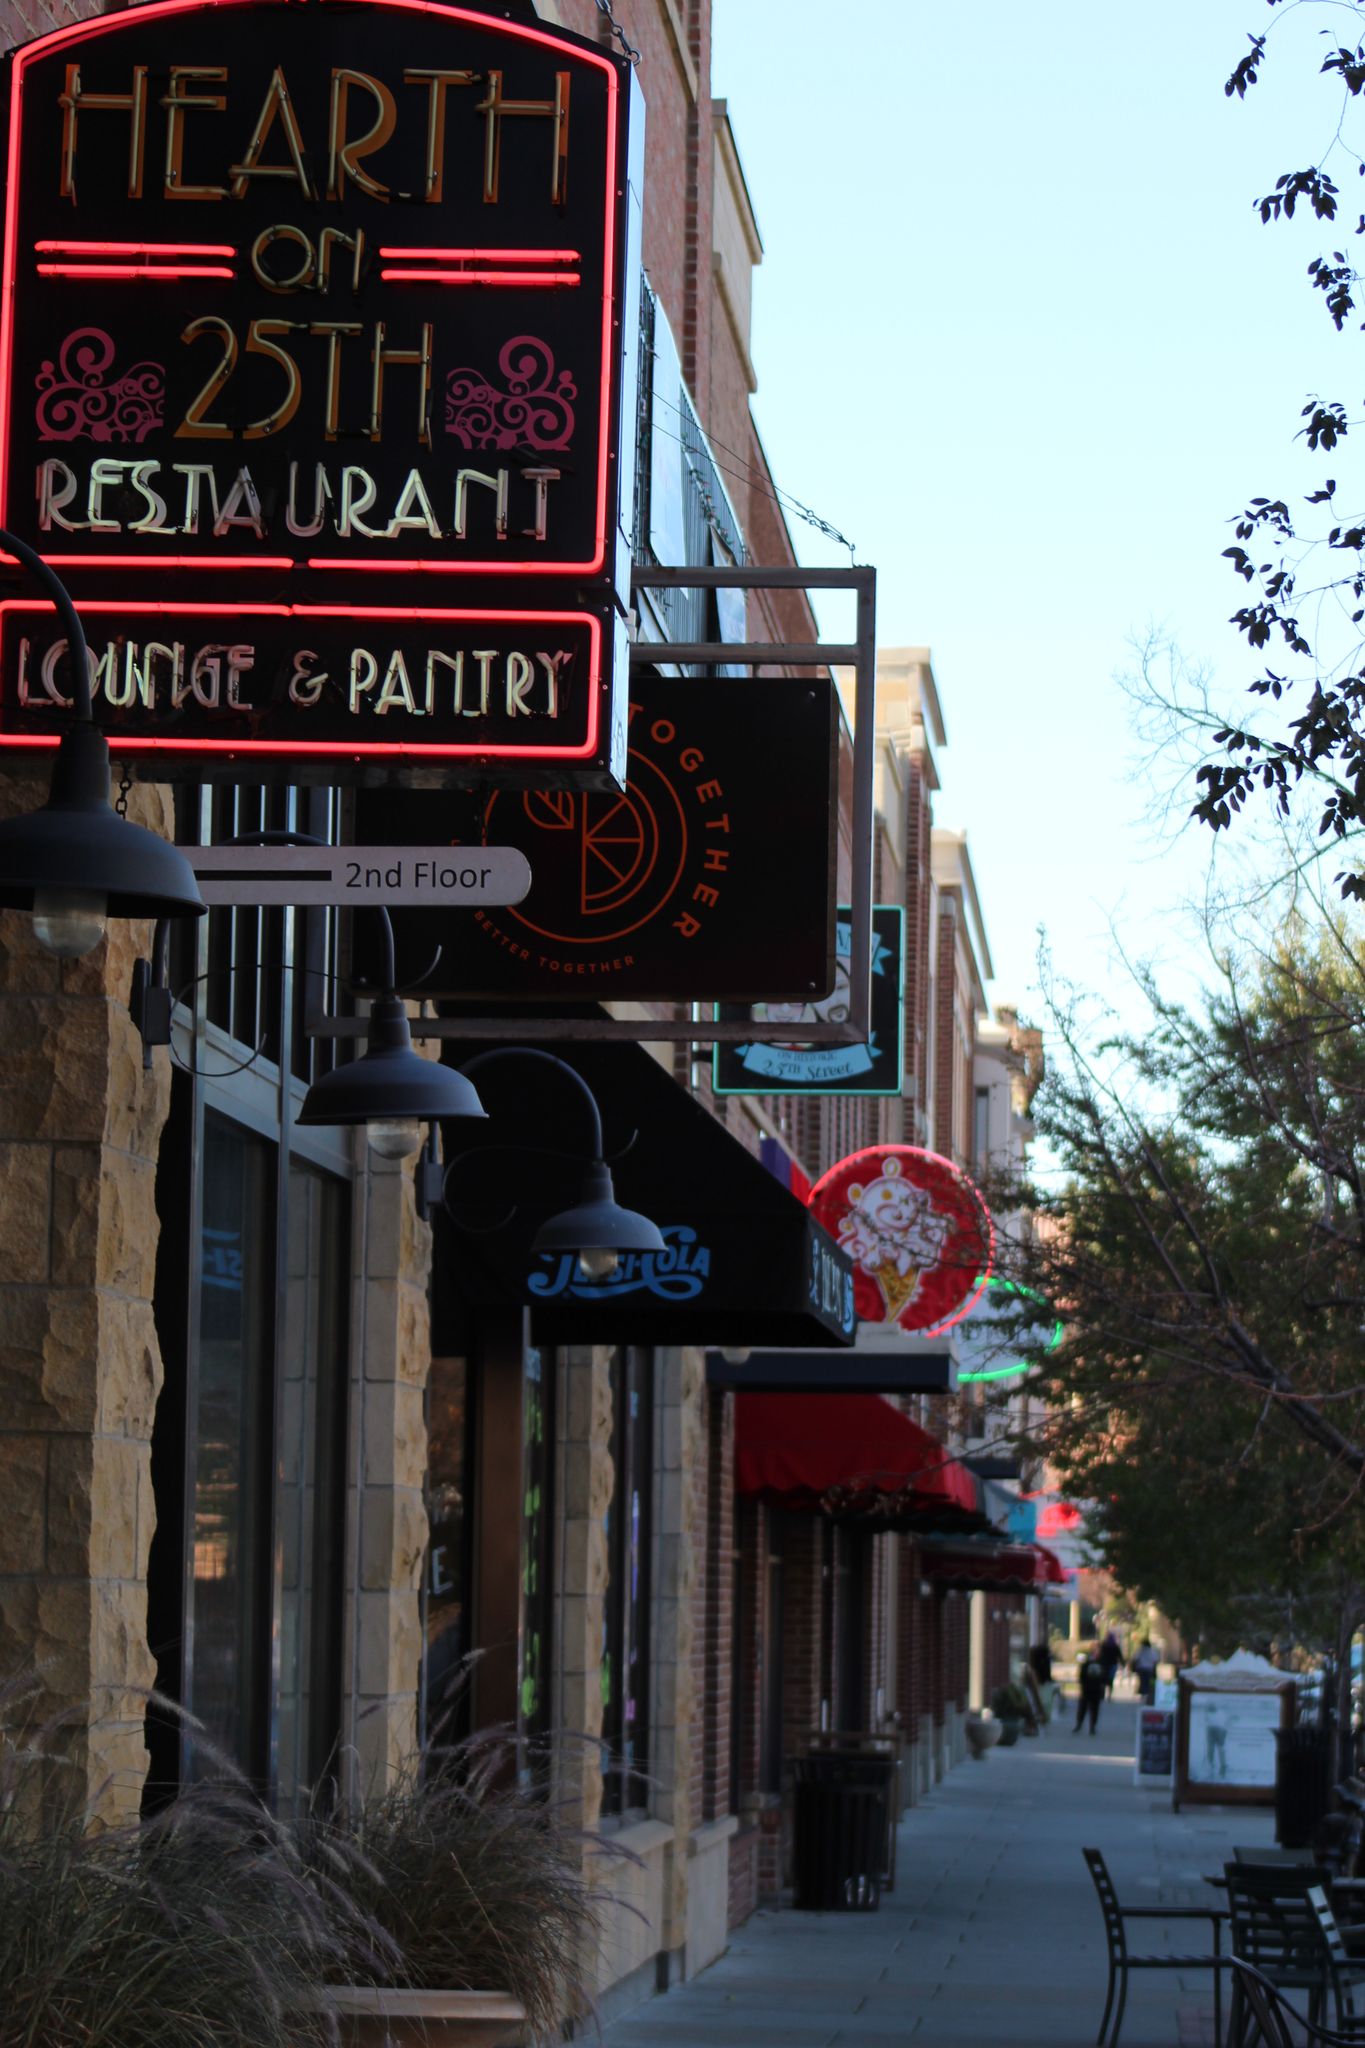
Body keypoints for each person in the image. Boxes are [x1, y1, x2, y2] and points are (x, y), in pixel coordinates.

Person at [1074, 1649, 1107, 1735]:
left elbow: (1081, 1677)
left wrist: (1082, 1685)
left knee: (1083, 1708)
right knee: (1094, 1709)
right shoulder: (1101, 1664)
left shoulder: (1086, 1665)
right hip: (1096, 1690)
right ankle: (1092, 1726)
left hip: (1087, 1689)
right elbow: (1104, 1678)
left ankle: (1080, 1724)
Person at [1098, 1628, 1124, 1697]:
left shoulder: (1104, 1645)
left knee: (1103, 1679)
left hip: (1104, 1664)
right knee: (1111, 1680)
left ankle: (1102, 1694)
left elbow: (1100, 1655)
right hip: (1113, 1664)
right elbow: (1120, 1656)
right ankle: (1109, 1694)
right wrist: (1123, 1663)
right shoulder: (1115, 1647)